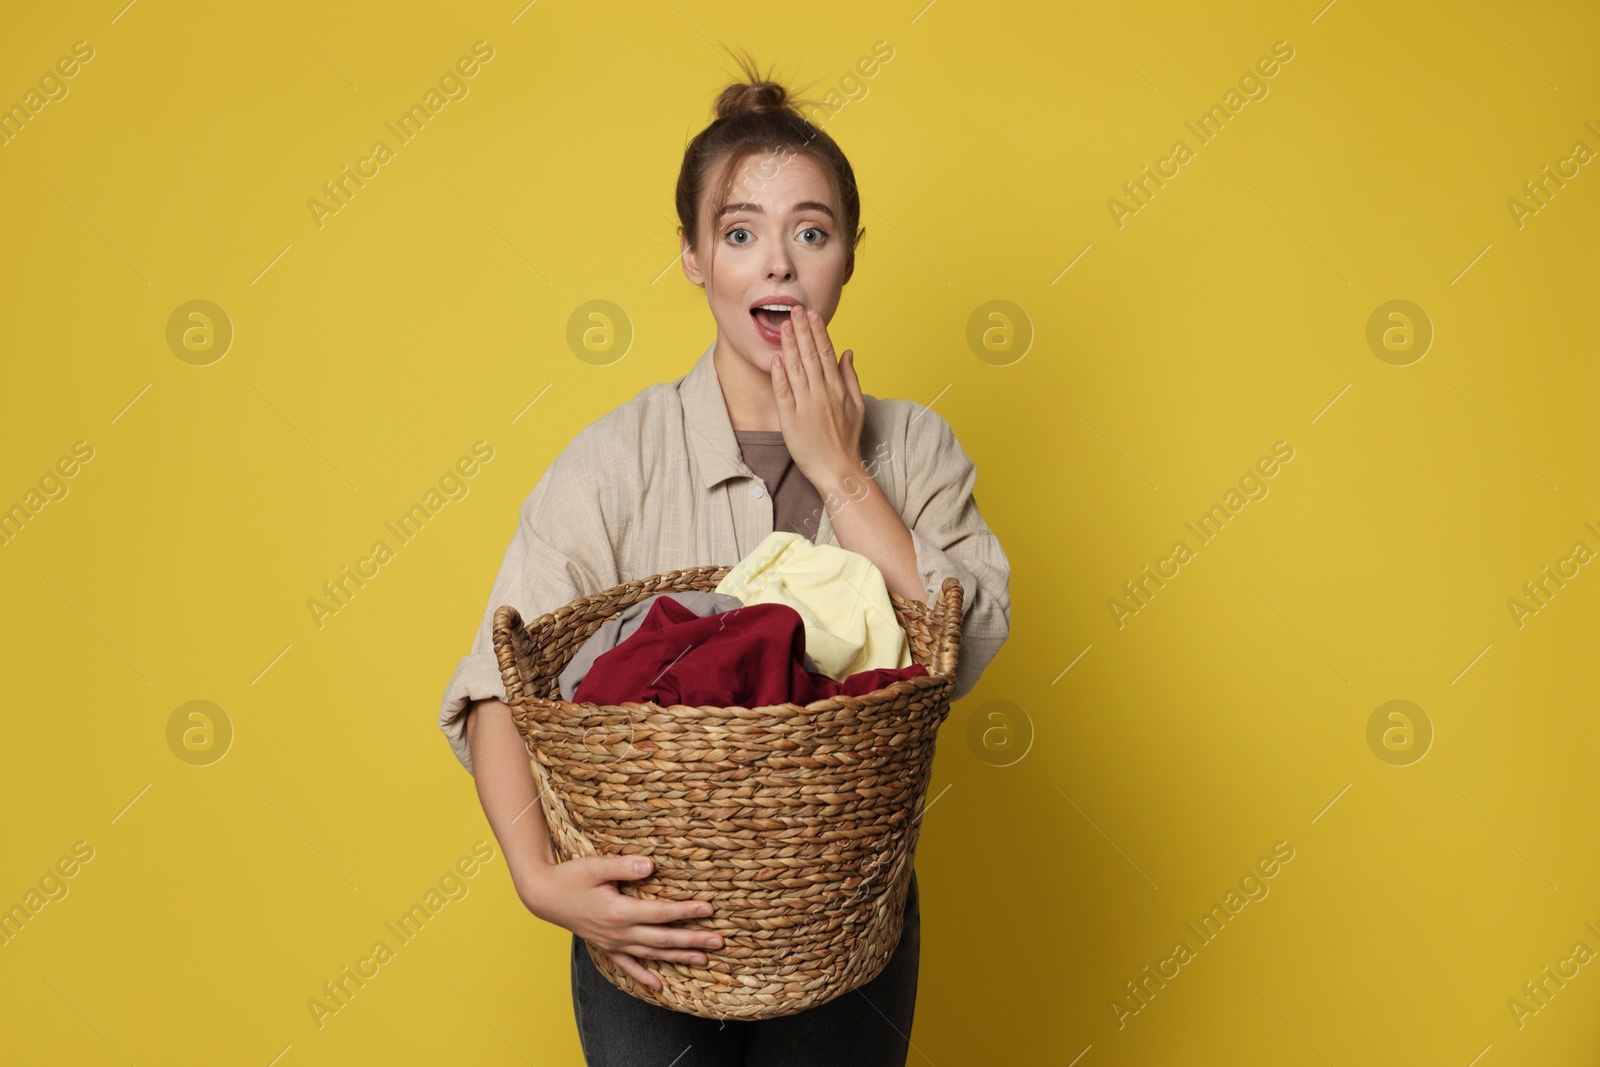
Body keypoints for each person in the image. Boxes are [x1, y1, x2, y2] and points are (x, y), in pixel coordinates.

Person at [437, 54, 1012, 1066]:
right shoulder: (612, 460)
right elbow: (500, 679)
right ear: (694, 257)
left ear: (847, 255)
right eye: (740, 233)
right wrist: (536, 876)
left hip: (843, 919)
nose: (777, 264)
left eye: (811, 231)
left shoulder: (915, 448)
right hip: (646, 923)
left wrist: (839, 471)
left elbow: (954, 648)